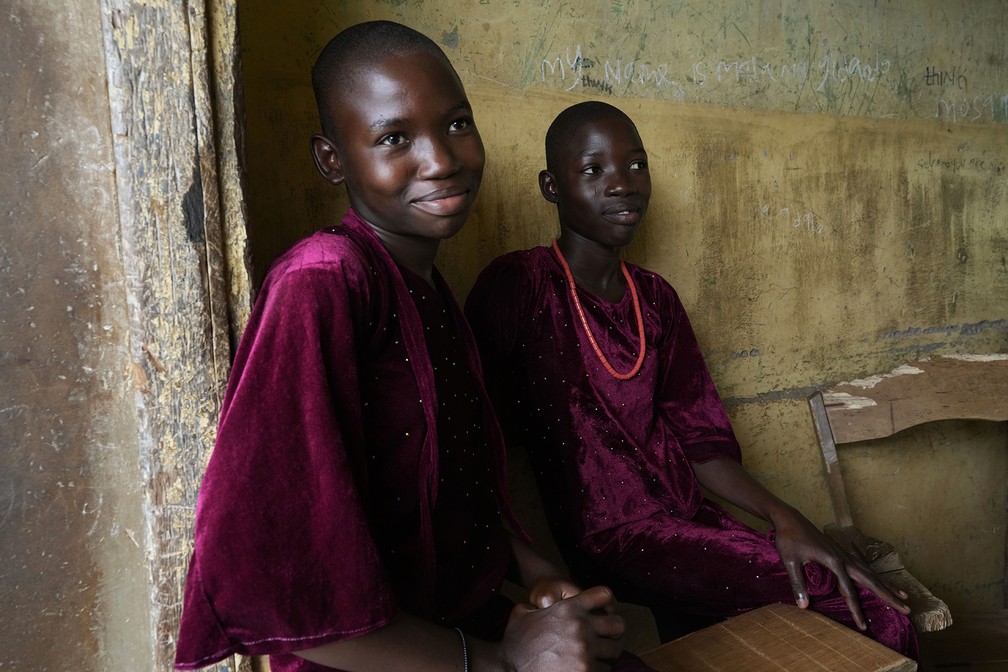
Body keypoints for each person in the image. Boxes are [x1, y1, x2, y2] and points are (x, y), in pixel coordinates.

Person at [174, 25, 650, 672]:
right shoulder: (323, 283)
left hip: (462, 623)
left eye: (456, 124)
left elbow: (453, 485)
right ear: (332, 159)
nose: (442, 160)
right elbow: (280, 592)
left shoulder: (427, 287)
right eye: (394, 138)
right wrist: (499, 657)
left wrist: (538, 578)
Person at [464, 100, 919, 659]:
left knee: (818, 593)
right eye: (593, 170)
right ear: (550, 186)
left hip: (689, 518)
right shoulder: (521, 285)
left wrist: (786, 518)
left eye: (636, 165)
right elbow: (474, 431)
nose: (623, 184)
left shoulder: (654, 297)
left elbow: (701, 444)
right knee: (871, 612)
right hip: (615, 536)